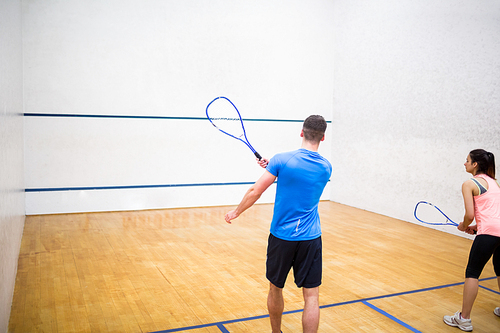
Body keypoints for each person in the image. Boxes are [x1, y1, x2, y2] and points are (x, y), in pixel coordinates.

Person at [225, 115, 332, 333]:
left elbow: (255, 191)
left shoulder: (281, 160)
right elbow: (298, 178)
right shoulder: (326, 167)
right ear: (323, 137)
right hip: (311, 239)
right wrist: (274, 168)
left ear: (301, 132)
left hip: (282, 237)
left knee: (275, 287)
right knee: (312, 295)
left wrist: (236, 212)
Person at [444, 149, 500, 332]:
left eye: (467, 160)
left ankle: (464, 319)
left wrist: (465, 225)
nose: (464, 163)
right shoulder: (495, 184)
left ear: (475, 164)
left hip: (488, 233)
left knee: (472, 273)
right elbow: (494, 213)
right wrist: (477, 226)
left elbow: (469, 214)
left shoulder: (469, 183)